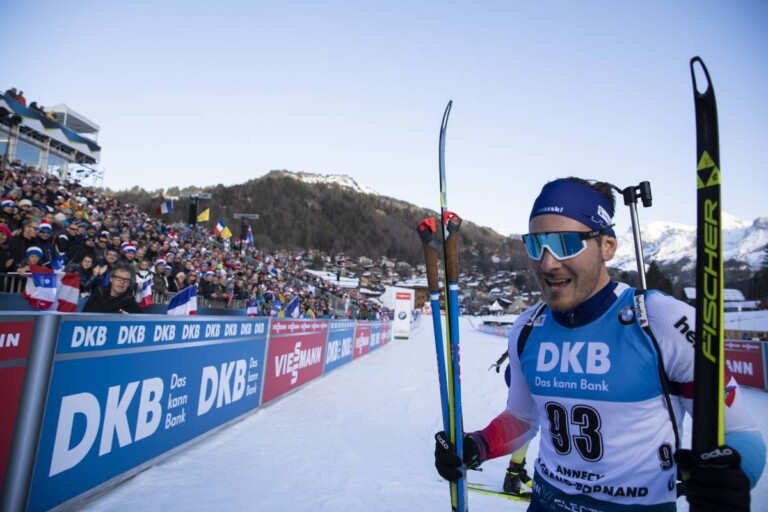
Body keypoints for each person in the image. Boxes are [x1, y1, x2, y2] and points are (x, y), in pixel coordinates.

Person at [434, 177, 765, 512]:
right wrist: (477, 445)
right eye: (536, 244)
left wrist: (732, 476)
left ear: (607, 246)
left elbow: (742, 434)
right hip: (547, 503)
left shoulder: (662, 320)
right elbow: (521, 419)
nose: (547, 262)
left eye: (566, 243)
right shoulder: (528, 327)